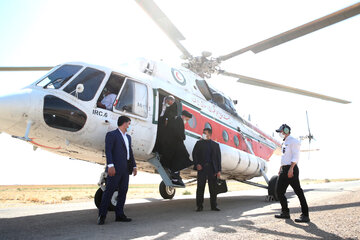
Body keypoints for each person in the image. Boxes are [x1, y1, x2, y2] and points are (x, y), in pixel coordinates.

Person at [97, 116, 137, 225]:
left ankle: (119, 215)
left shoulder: (128, 137)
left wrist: (134, 166)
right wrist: (110, 165)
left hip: (125, 169)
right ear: (124, 124)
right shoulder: (112, 135)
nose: (129, 126)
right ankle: (102, 215)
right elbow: (108, 151)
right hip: (114, 169)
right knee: (109, 191)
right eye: (129, 124)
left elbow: (130, 153)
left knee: (123, 192)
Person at [274, 124, 310, 223]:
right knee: (279, 192)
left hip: (291, 169)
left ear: (286, 130)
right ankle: (285, 212)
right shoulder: (284, 142)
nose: (280, 133)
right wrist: (281, 167)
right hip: (284, 169)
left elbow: (296, 155)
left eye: (281, 131)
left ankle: (305, 215)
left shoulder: (294, 141)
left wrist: (291, 169)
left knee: (298, 192)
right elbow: (285, 157)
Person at [161, 110, 193, 186]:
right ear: (184, 116)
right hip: (176, 144)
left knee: (178, 159)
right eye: (187, 119)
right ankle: (175, 175)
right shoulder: (179, 120)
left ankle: (175, 175)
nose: (187, 121)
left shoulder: (175, 119)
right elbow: (178, 133)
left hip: (173, 143)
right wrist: (183, 137)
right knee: (183, 157)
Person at [192, 128, 222, 211]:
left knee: (213, 189)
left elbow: (218, 159)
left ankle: (214, 206)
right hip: (202, 169)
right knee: (200, 188)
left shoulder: (215, 145)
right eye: (203, 133)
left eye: (205, 133)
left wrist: (218, 170)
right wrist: (197, 164)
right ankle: (199, 206)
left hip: (212, 169)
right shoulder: (199, 143)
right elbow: (194, 155)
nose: (203, 134)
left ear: (209, 134)